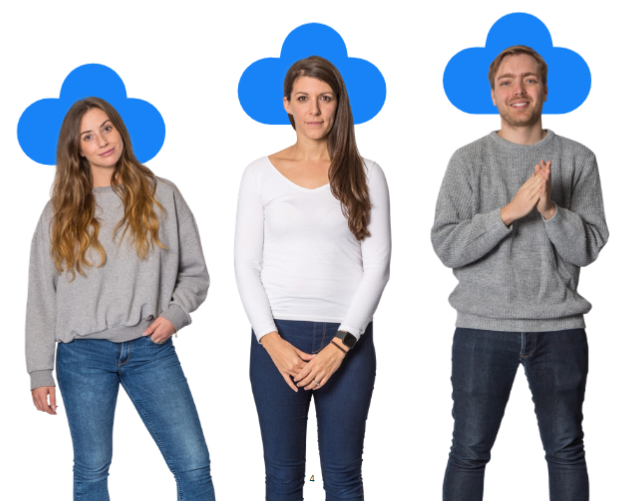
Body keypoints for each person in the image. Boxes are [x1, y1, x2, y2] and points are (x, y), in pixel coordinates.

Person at [431, 45, 609, 501]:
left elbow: (588, 247)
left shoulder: (578, 159)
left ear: (545, 89)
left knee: (566, 450)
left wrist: (550, 209)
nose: (519, 89)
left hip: (560, 328)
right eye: (507, 81)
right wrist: (508, 213)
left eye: (529, 79)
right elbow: (446, 243)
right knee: (469, 451)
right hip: (482, 327)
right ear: (493, 94)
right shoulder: (468, 160)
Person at [26, 97, 215, 501]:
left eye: (107, 128)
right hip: (82, 356)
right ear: (77, 149)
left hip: (151, 348)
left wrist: (175, 314)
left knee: (194, 464)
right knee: (92, 470)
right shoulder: (58, 213)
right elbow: (42, 294)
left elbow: (195, 272)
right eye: (88, 137)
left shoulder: (162, 195)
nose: (102, 141)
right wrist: (39, 371)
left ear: (120, 131)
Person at [234, 55, 391, 500]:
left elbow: (377, 266)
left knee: (343, 477)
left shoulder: (367, 173)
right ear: (287, 104)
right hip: (277, 338)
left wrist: (341, 347)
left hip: (348, 342)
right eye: (303, 98)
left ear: (339, 104)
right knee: (283, 478)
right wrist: (273, 343)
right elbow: (246, 265)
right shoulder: (258, 174)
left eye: (325, 98)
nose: (314, 109)